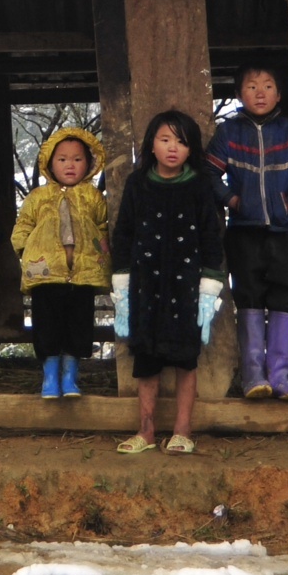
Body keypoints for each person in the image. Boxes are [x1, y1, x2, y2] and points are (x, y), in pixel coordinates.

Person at [111, 109, 225, 454]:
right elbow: (124, 234)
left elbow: (211, 236)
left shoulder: (201, 186)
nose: (172, 148)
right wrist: (122, 287)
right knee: (146, 359)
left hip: (186, 287)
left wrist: (209, 285)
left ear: (191, 150)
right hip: (146, 286)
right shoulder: (138, 183)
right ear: (151, 145)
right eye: (165, 139)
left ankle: (182, 432)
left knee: (185, 359)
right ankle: (145, 432)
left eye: (181, 141)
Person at [207, 65, 288, 400]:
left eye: (268, 86)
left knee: (286, 298)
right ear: (240, 94)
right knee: (249, 297)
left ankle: (282, 377)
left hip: (284, 232)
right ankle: (254, 377)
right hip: (243, 232)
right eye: (252, 86)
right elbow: (209, 171)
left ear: (279, 94)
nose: (260, 92)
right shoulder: (229, 133)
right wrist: (231, 200)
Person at [10, 126, 111, 398]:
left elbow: (102, 228)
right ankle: (49, 378)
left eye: (78, 159)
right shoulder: (38, 197)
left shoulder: (93, 197)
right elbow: (22, 227)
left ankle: (70, 378)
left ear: (89, 163)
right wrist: (26, 251)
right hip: (46, 275)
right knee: (47, 326)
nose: (70, 165)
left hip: (84, 275)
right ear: (49, 163)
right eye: (62, 159)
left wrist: (104, 254)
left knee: (79, 326)